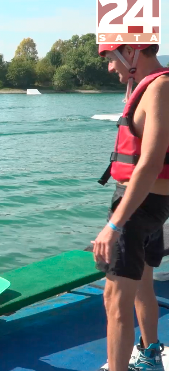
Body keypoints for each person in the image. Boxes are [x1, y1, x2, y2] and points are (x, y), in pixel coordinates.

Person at [94, 43, 169, 371]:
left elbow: (151, 163)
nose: (111, 67)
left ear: (133, 51)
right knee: (143, 285)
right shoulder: (154, 86)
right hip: (153, 205)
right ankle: (150, 354)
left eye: (111, 58)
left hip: (136, 206)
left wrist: (115, 225)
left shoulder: (160, 88)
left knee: (114, 301)